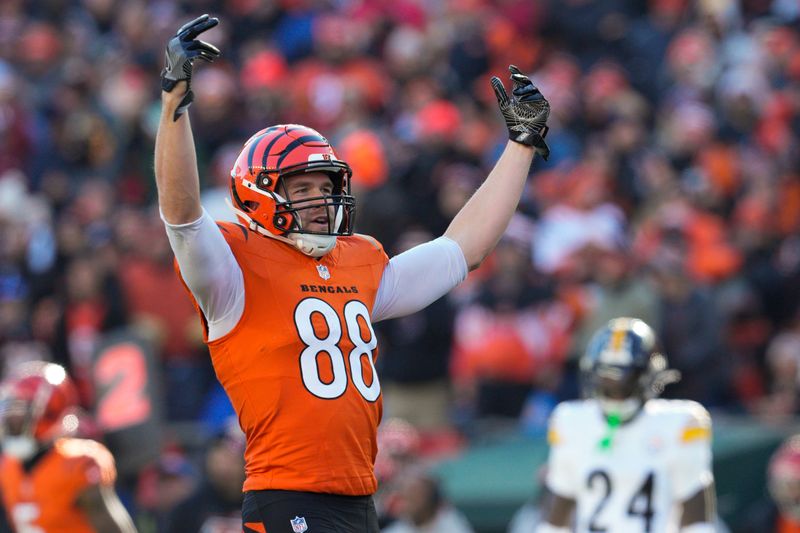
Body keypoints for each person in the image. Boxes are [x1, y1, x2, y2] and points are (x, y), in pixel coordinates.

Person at [154, 13, 549, 533]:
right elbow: (181, 212)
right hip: (286, 494)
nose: (319, 199)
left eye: (324, 185)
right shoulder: (232, 269)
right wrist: (174, 104)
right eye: (301, 187)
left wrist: (520, 147)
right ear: (258, 193)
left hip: (360, 496)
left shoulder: (357, 260)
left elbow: (462, 250)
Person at [537, 317, 716, 533]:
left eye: (625, 380)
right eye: (608, 380)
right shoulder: (572, 421)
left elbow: (697, 523)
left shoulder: (680, 424)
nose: (616, 390)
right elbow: (556, 517)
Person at [0, 360, 137, 533]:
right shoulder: (8, 466)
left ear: (50, 410)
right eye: (8, 411)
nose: (10, 420)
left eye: (18, 412)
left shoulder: (76, 463)